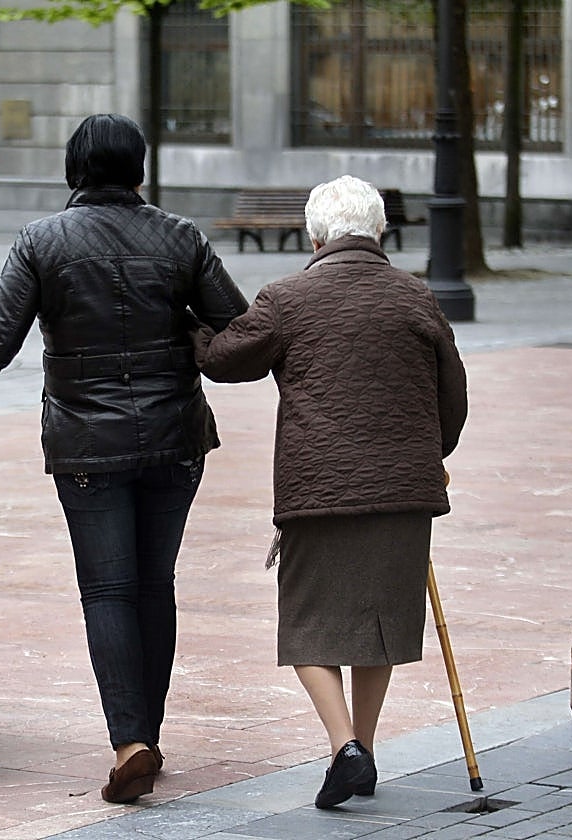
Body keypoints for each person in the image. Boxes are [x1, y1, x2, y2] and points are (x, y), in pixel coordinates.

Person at [0, 113, 249, 804]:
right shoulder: (182, 238)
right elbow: (238, 336)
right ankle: (144, 732)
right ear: (139, 170)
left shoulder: (42, 241)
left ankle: (131, 743)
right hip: (176, 440)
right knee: (155, 585)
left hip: (87, 445)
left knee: (108, 590)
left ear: (73, 171)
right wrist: (187, 331)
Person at [189, 175, 468, 809]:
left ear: (315, 236)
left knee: (308, 624)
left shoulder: (288, 297)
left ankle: (346, 748)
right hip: (403, 490)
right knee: (381, 624)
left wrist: (190, 332)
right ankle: (359, 749)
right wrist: (433, 454)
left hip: (319, 488)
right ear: (379, 232)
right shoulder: (417, 297)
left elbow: (227, 359)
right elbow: (453, 397)